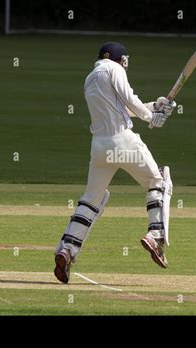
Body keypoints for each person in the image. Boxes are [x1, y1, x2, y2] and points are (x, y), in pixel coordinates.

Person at [54, 42, 176, 284]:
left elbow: (120, 107)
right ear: (123, 60)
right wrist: (151, 117)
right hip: (123, 141)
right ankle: (155, 235)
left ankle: (67, 249)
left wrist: (156, 106)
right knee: (158, 182)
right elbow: (129, 99)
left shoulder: (91, 77)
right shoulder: (115, 69)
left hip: (99, 147)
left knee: (92, 199)